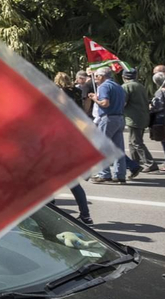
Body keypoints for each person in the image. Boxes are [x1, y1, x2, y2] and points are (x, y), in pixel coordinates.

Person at [53, 74, 91, 223]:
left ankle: (52, 212)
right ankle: (85, 215)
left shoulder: (60, 93)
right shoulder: (76, 90)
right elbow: (85, 106)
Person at [89, 68, 133, 184]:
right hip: (119, 117)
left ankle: (104, 174)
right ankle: (120, 175)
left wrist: (95, 99)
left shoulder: (104, 86)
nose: (95, 79)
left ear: (102, 76)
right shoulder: (118, 86)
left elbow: (105, 103)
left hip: (108, 118)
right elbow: (124, 102)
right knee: (118, 148)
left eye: (97, 76)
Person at [121, 67, 156, 174]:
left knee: (136, 142)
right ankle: (135, 162)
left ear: (123, 77)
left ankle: (150, 163)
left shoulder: (126, 87)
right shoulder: (140, 85)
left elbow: (123, 102)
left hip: (133, 118)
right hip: (142, 116)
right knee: (132, 142)